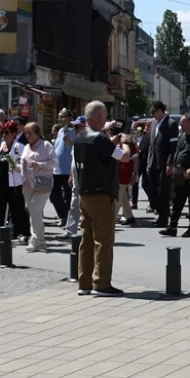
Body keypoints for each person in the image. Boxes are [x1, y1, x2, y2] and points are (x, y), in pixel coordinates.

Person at [73, 101, 125, 297]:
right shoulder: (100, 139)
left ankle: (84, 282)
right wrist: (125, 142)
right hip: (102, 194)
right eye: (103, 116)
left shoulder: (79, 137)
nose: (105, 119)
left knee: (86, 240)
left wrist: (110, 140)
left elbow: (98, 154)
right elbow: (124, 157)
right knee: (103, 239)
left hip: (84, 193)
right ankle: (101, 283)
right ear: (98, 117)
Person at [163, 114, 190, 237]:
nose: (181, 125)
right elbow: (177, 152)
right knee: (177, 201)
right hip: (179, 174)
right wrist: (171, 165)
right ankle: (172, 227)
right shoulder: (182, 136)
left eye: (183, 122)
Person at [0, 121, 29, 243]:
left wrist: (12, 163)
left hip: (15, 183)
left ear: (13, 134)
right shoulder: (2, 146)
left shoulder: (19, 147)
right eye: (3, 133)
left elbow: (22, 165)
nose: (4, 135)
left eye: (6, 133)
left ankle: (25, 233)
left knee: (18, 210)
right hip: (2, 182)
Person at [20, 122, 55, 252]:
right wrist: (16, 168)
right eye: (26, 133)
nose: (27, 136)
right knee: (34, 213)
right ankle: (41, 241)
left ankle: (35, 240)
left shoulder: (46, 146)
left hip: (42, 183)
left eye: (30, 133)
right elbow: (24, 165)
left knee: (35, 210)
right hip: (28, 184)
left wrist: (39, 164)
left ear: (38, 133)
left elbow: (54, 162)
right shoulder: (26, 148)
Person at [147, 101, 178, 229]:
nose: (152, 115)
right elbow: (152, 144)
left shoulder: (171, 124)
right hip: (153, 162)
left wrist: (170, 163)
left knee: (163, 192)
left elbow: (173, 147)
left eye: (153, 112)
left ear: (160, 111)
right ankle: (159, 212)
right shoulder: (154, 123)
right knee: (152, 189)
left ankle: (163, 218)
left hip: (164, 163)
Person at [50, 114, 79, 226]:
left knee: (68, 196)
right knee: (53, 195)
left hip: (67, 169)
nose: (60, 119)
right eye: (59, 117)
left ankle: (67, 219)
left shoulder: (74, 130)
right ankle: (63, 215)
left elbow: (78, 145)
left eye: (62, 116)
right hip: (56, 168)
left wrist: (70, 141)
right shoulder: (61, 130)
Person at [111, 122, 138, 225]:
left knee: (118, 196)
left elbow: (135, 159)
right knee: (123, 196)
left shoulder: (128, 142)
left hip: (125, 172)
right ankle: (129, 216)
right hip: (116, 172)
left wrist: (134, 174)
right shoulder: (113, 141)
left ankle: (111, 219)